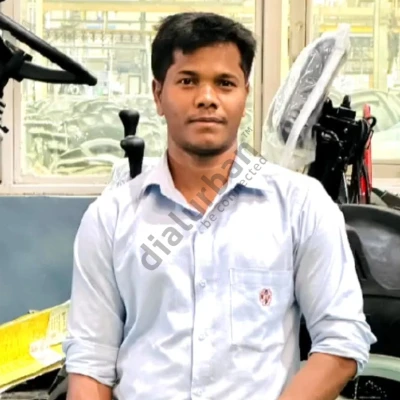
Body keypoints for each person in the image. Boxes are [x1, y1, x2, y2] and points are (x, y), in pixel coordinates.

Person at [63, 11, 376, 400]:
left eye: (225, 83)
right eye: (188, 81)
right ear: (158, 94)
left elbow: (341, 340)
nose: (207, 98)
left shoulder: (301, 206)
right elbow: (90, 362)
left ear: (244, 95)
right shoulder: (110, 218)